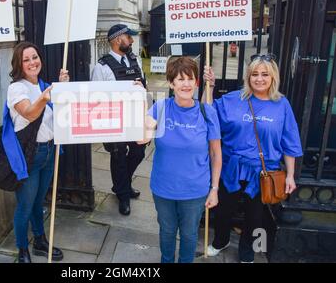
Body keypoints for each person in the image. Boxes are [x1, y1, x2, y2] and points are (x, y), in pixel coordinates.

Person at [203, 54, 303, 263]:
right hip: (232, 166)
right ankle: (221, 240)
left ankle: (247, 249)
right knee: (223, 210)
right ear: (248, 77)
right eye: (255, 74)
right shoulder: (234, 99)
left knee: (256, 216)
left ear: (273, 77)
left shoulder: (282, 105)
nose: (259, 79)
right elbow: (207, 114)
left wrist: (291, 175)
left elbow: (290, 142)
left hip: (263, 172)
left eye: (265, 74)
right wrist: (209, 87)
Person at [139, 57, 222, 263]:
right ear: (171, 83)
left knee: (189, 234)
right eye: (180, 79)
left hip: (195, 190)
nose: (185, 84)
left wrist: (214, 188)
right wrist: (139, 100)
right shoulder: (160, 107)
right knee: (167, 231)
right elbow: (142, 137)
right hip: (164, 188)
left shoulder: (207, 111)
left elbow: (216, 153)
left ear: (196, 83)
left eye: (190, 79)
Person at [7, 42, 69, 263]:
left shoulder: (42, 84)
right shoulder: (17, 88)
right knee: (25, 204)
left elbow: (62, 114)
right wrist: (44, 98)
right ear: (19, 64)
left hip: (49, 151)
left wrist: (63, 89)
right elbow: (29, 114)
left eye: (35, 57)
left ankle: (40, 241)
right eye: (26, 59)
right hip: (29, 155)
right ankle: (22, 248)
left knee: (38, 201)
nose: (32, 62)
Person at [90, 24, 146, 216]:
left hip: (134, 116)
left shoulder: (134, 59)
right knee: (119, 156)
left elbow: (143, 86)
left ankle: (122, 183)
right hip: (114, 119)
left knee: (139, 152)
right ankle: (123, 195)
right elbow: (95, 97)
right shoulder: (102, 67)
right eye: (128, 37)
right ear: (116, 40)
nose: (131, 40)